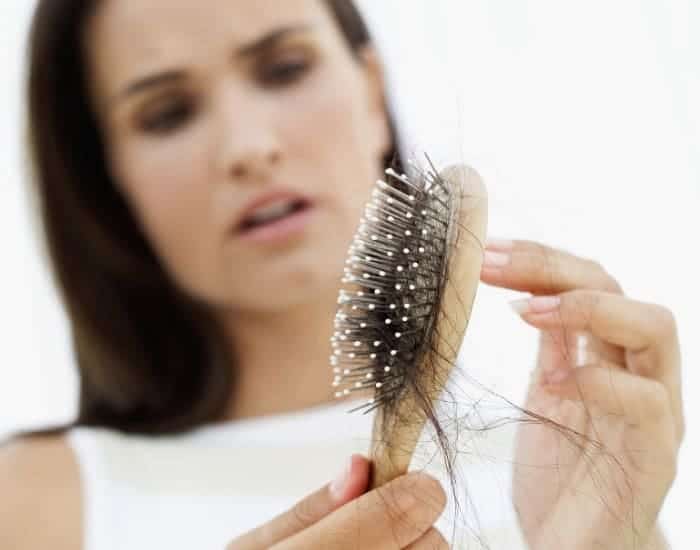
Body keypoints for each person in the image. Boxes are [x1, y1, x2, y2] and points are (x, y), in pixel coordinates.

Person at [0, 0, 682, 548]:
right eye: (167, 114)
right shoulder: (37, 502)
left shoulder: (564, 472)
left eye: (284, 68)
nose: (249, 146)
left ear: (371, 85)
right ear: (108, 179)